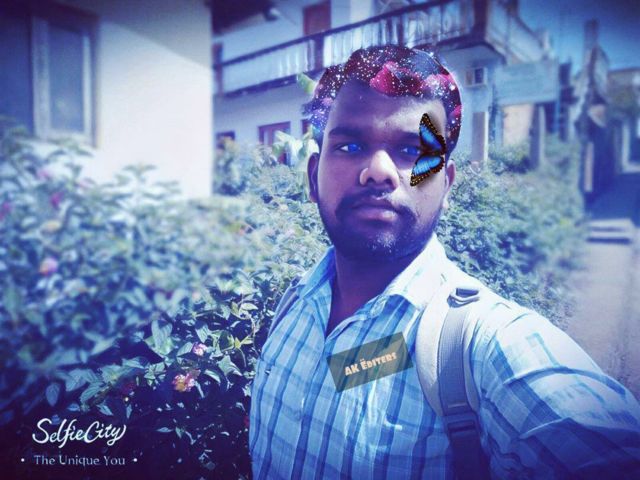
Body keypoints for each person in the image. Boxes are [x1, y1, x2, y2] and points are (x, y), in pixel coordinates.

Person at [248, 45, 640, 479]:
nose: (379, 170)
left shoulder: (483, 346)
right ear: (312, 177)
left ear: (447, 185)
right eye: (351, 145)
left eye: (413, 150)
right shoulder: (292, 304)